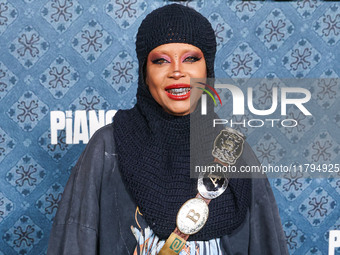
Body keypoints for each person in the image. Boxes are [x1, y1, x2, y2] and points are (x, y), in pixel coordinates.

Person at [47, 4, 289, 255]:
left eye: (191, 58)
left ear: (208, 70)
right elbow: (74, 243)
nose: (177, 71)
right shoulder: (108, 147)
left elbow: (267, 245)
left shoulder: (233, 151)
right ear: (145, 72)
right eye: (161, 60)